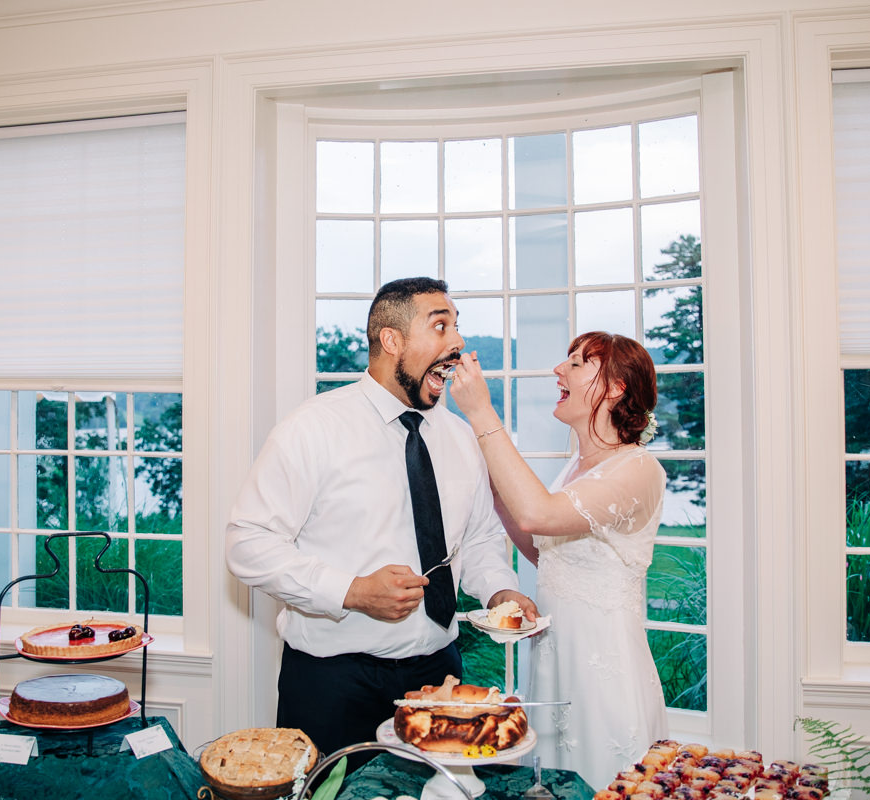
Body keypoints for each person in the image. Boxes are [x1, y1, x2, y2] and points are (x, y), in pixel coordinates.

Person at [226, 276, 537, 760]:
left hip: (440, 678)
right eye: (440, 326)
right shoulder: (311, 429)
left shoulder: (460, 438)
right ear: (392, 340)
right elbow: (247, 544)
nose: (457, 343)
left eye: (457, 327)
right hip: (332, 684)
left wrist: (499, 588)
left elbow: (477, 539)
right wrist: (350, 590)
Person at [449, 331, 668, 789]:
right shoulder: (576, 466)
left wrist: (480, 412)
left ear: (614, 388)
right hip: (553, 663)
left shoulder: (638, 469)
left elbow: (539, 513)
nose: (558, 370)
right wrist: (496, 491)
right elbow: (546, 550)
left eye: (576, 362)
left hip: (603, 671)